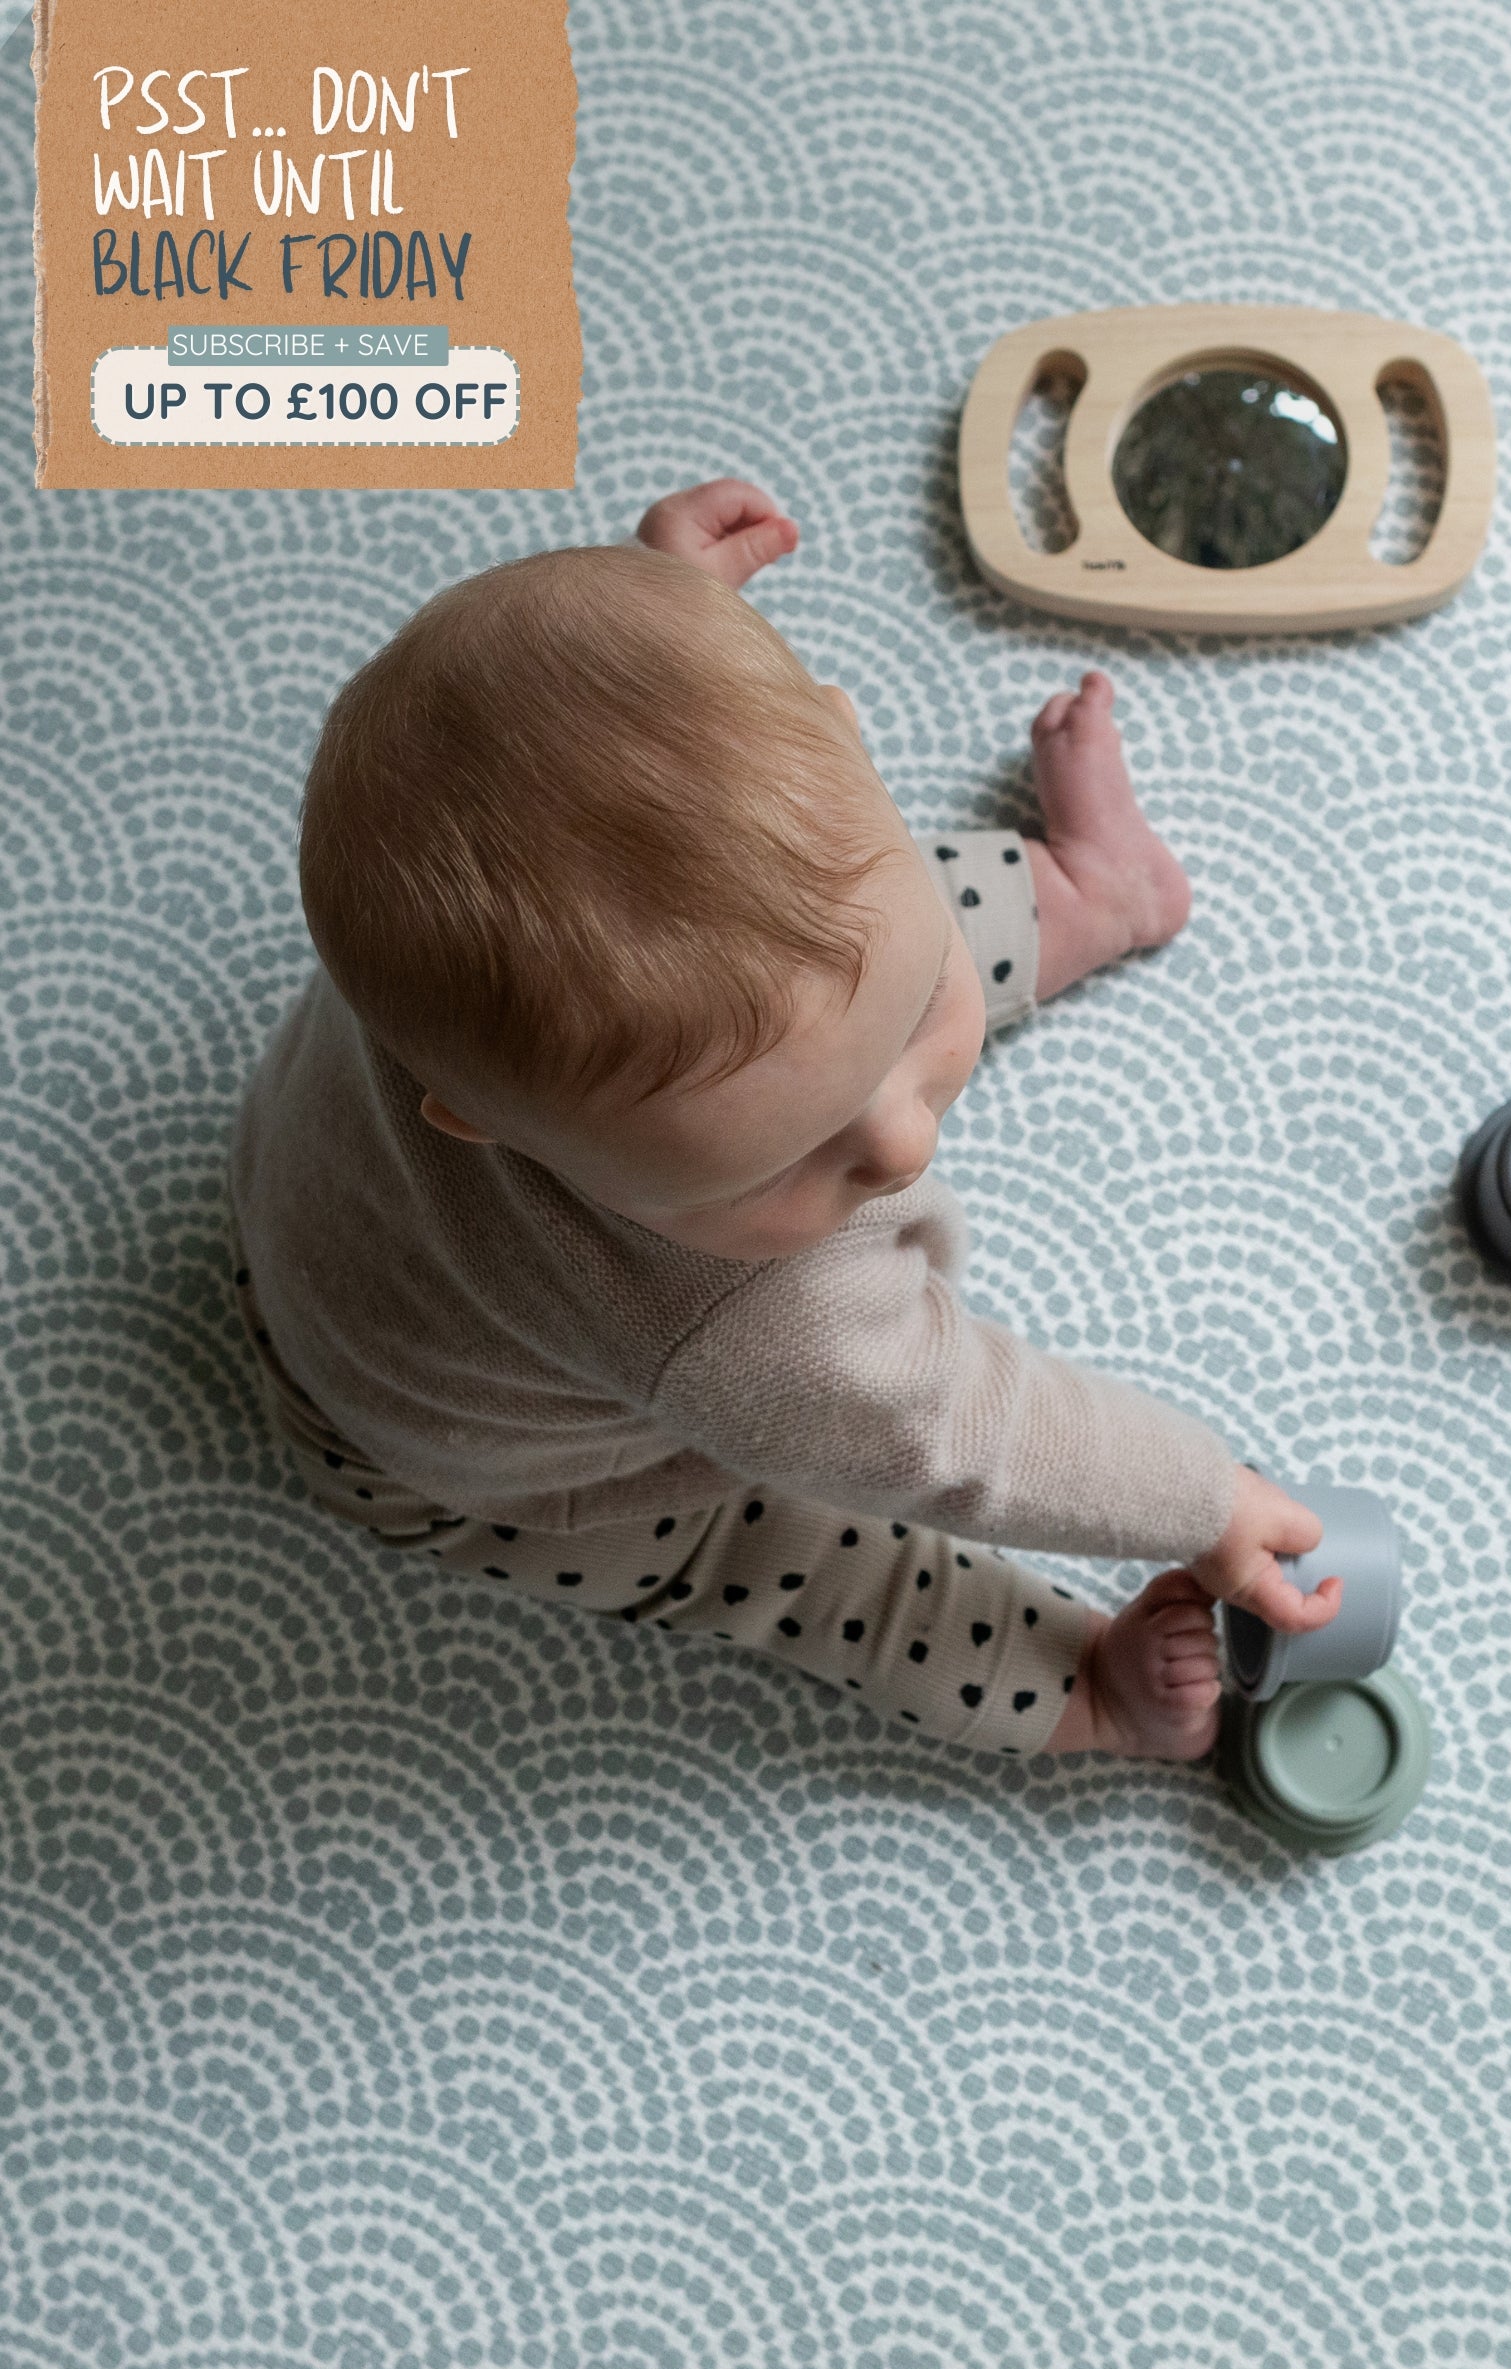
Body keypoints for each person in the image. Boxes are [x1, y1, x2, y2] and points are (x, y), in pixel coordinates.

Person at [228, 478, 1340, 1766]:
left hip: (319, 1200)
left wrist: (670, 628)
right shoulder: (747, 1325)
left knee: (796, 929)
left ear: (841, 726)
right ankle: (1091, 1695)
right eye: (780, 1159)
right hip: (453, 1463)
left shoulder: (463, 955)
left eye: (924, 1019)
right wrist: (1200, 1499)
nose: (901, 1148)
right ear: (484, 1124)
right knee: (806, 1565)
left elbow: (579, 755)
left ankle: (1089, 894)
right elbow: (965, 1430)